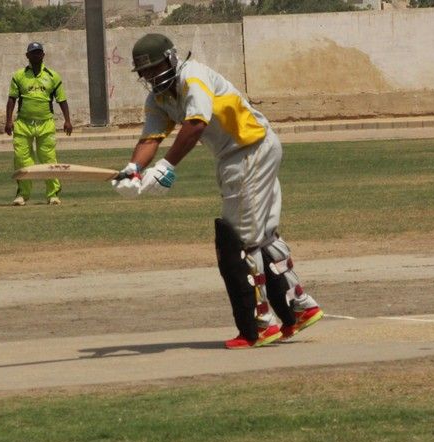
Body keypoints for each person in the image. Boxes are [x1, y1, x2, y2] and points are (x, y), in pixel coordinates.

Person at [114, 33, 323, 349]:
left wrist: (166, 167)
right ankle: (300, 306)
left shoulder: (192, 77)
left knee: (240, 242)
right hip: (243, 152)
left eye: (156, 68)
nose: (152, 77)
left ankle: (260, 325)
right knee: (265, 236)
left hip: (248, 150)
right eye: (146, 73)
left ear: (171, 59)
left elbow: (196, 123)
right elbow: (150, 138)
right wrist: (133, 170)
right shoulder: (158, 100)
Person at [5, 41, 73, 206]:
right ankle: (23, 194)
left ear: (43, 55)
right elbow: (12, 99)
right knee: (22, 160)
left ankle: (53, 194)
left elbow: (62, 100)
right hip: (23, 123)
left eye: (38, 53)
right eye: (33, 53)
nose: (36, 55)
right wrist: (8, 120)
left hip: (45, 123)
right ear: (27, 56)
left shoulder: (52, 76)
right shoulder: (19, 76)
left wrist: (67, 120)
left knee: (48, 159)